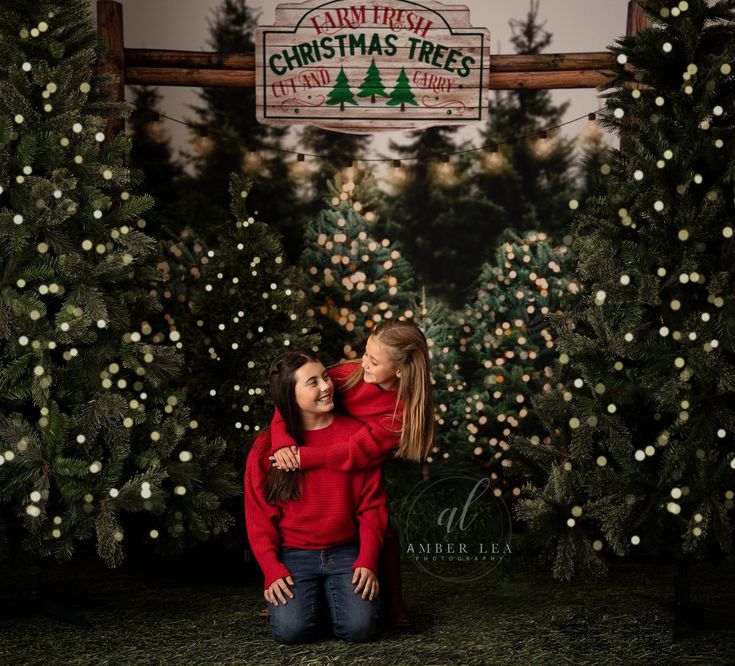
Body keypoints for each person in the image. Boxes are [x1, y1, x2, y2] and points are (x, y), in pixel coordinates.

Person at [269, 319, 435, 626]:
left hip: (354, 459)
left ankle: (392, 600)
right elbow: (288, 393)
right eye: (365, 352)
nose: (363, 362)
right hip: (316, 441)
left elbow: (354, 453)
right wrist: (282, 442)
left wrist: (303, 457)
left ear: (399, 370)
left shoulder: (403, 411)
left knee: (378, 520)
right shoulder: (351, 374)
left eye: (373, 360)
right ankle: (290, 589)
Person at [245, 350, 388, 644]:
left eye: (325, 376)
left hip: (345, 550)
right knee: (290, 632)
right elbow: (259, 517)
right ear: (290, 395)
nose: (326, 386)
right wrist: (272, 569)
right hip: (295, 553)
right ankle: (314, 599)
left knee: (359, 629)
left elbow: (373, 506)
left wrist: (367, 560)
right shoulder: (266, 449)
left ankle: (333, 596)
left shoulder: (356, 436)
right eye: (312, 382)